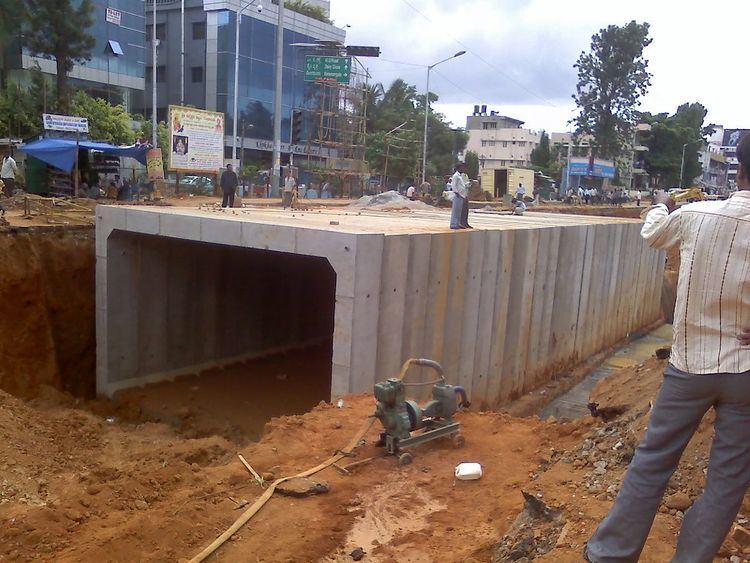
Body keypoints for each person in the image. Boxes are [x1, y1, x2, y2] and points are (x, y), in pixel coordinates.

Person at [585, 132, 750, 563]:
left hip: (690, 365)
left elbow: (654, 233)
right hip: (746, 374)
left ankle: (610, 554)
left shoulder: (697, 216)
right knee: (729, 479)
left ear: (739, 168)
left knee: (654, 460)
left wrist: (662, 203)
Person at [449, 162, 471, 230]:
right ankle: (453, 224)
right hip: (458, 195)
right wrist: (456, 192)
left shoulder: (460, 176)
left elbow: (462, 185)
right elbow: (454, 185)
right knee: (456, 210)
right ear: (459, 168)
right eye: (462, 168)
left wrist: (468, 184)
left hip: (461, 195)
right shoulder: (455, 176)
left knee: (459, 211)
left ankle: (458, 223)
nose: (463, 169)